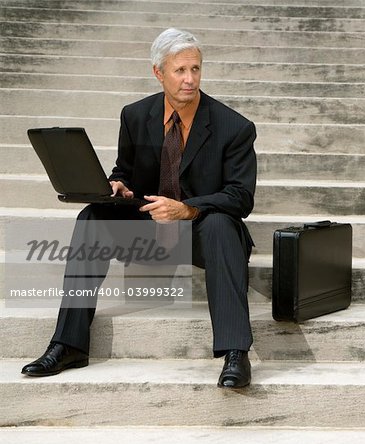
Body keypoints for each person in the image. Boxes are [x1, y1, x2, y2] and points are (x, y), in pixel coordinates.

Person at [21, 28, 257, 389]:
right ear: (158, 72)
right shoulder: (134, 115)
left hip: (202, 232)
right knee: (91, 218)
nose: (189, 79)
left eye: (195, 69)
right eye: (179, 70)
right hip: (150, 227)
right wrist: (117, 185)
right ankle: (68, 344)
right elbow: (124, 170)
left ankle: (236, 353)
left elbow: (240, 197)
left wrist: (188, 209)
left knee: (222, 225)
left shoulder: (234, 127)